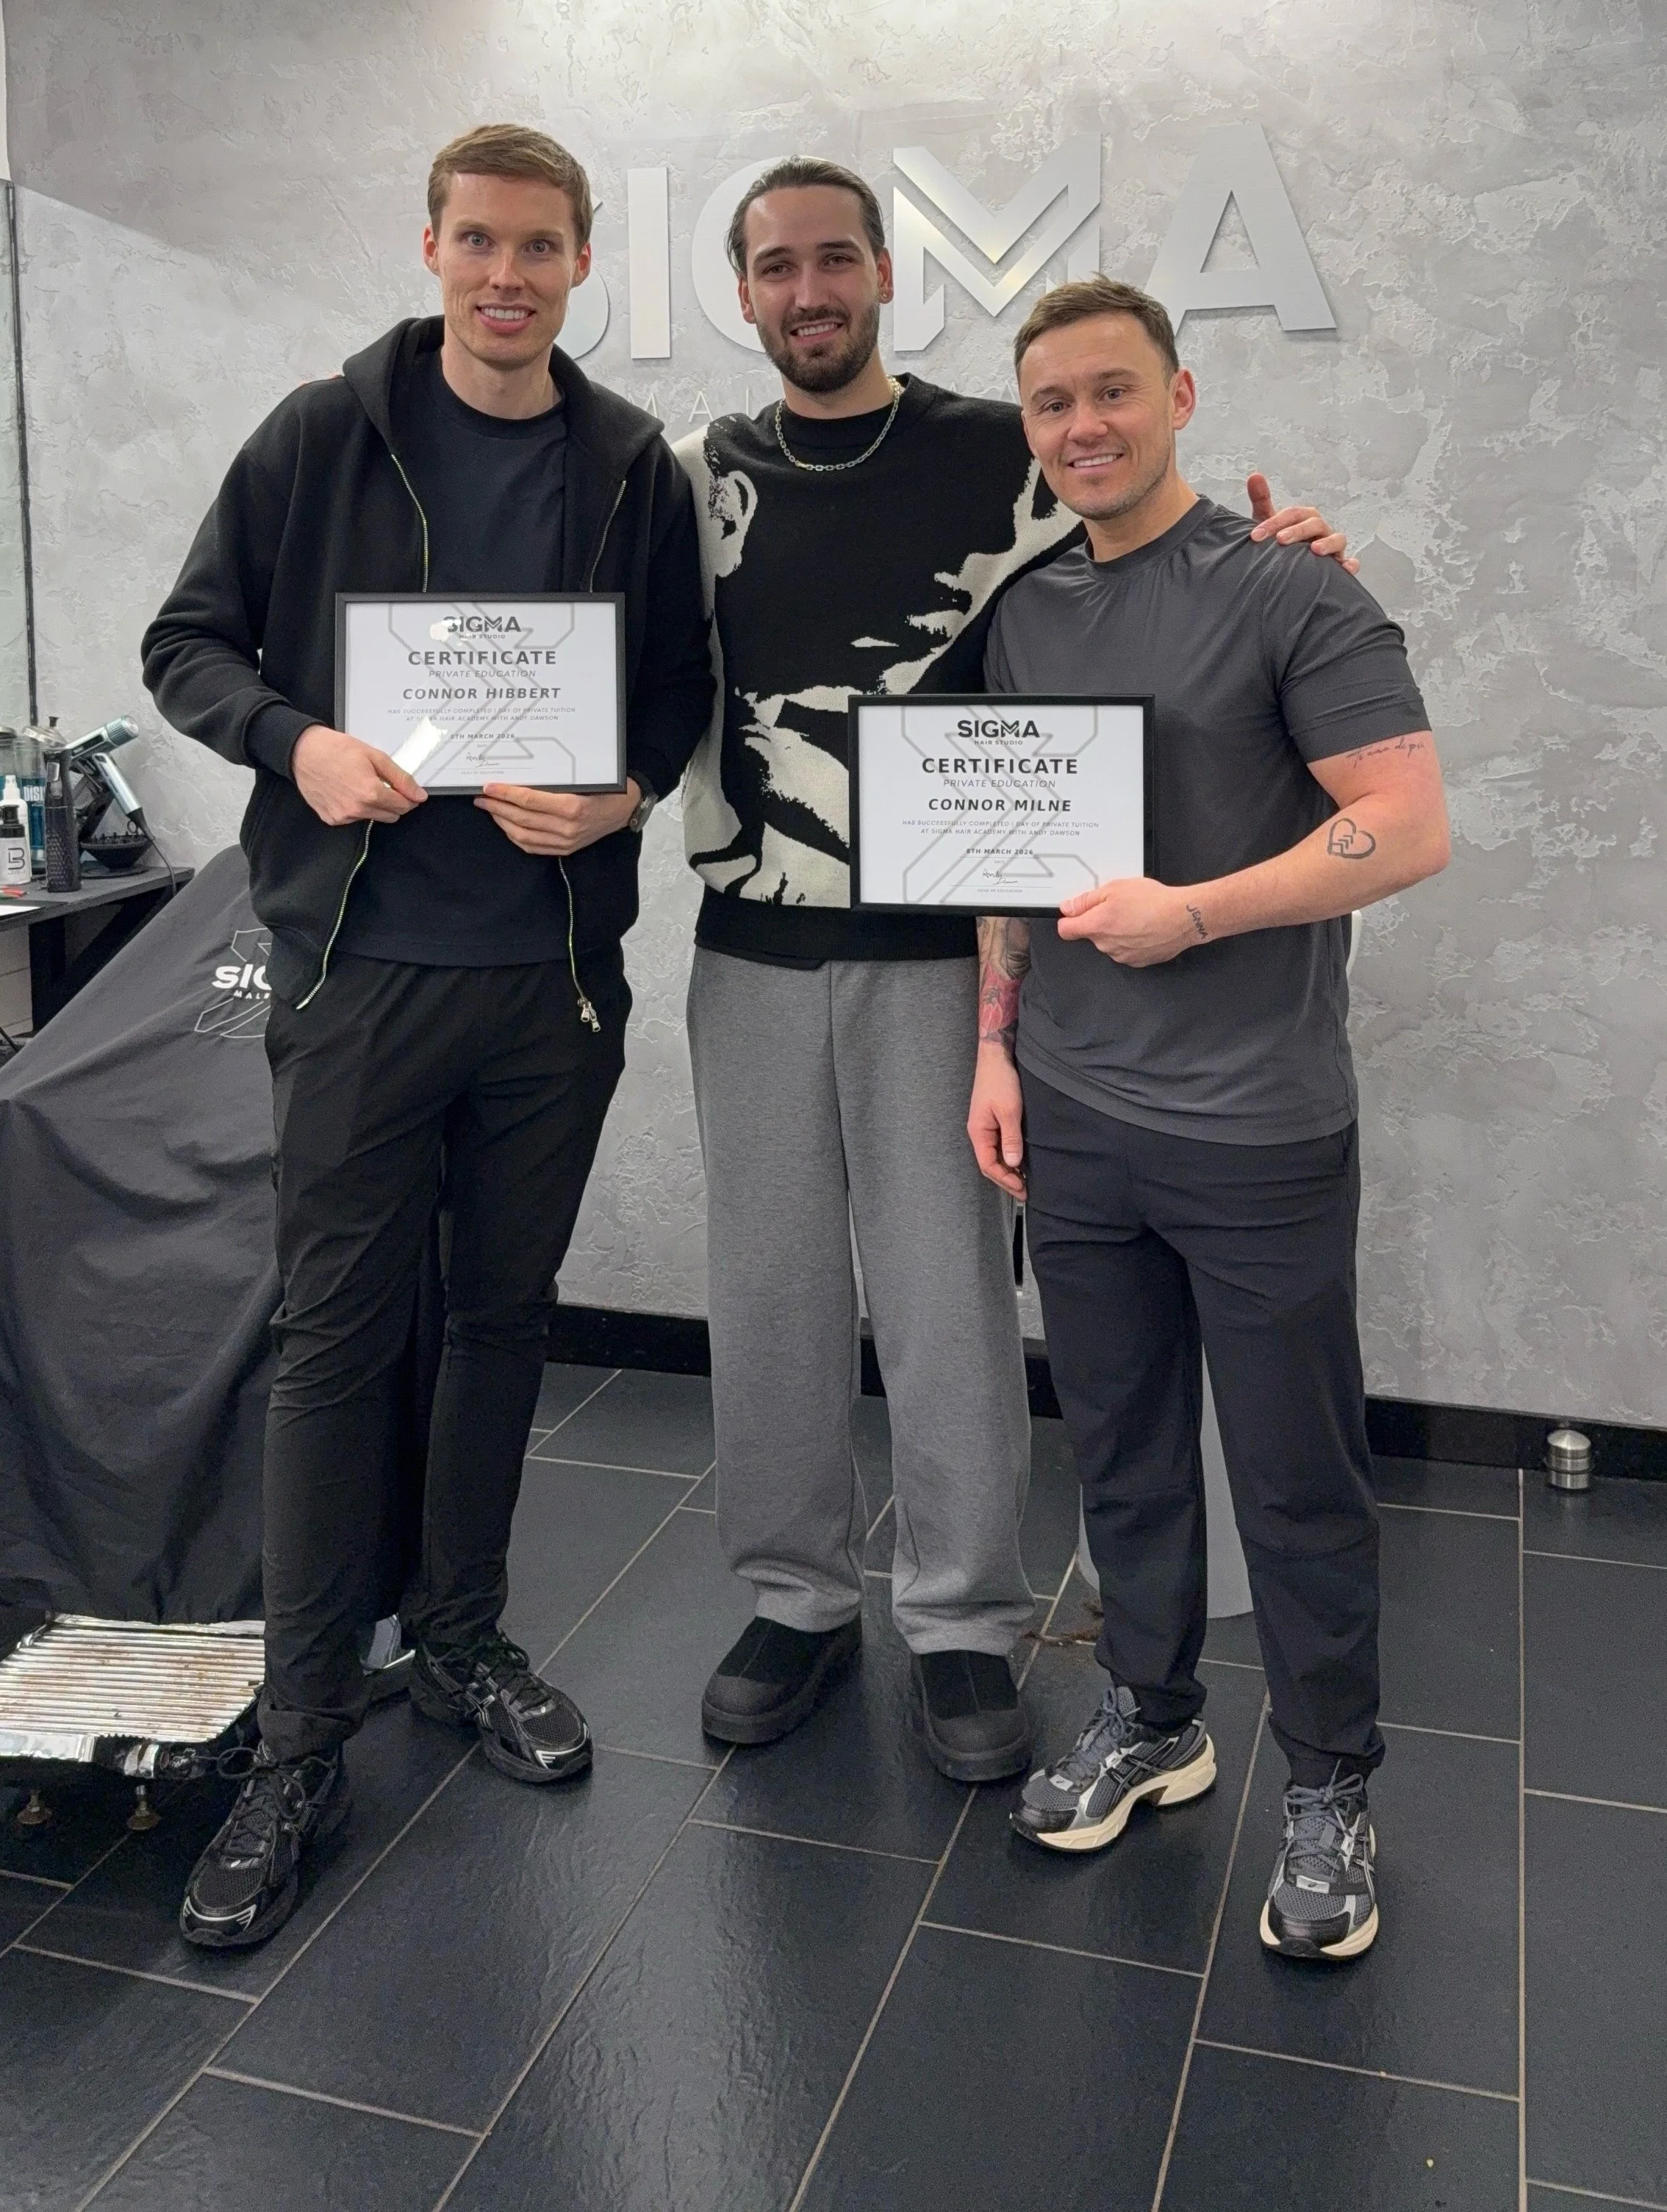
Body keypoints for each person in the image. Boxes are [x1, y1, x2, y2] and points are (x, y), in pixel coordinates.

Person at [675, 159, 1350, 1787]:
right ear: (746, 291)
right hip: (750, 945)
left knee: (947, 1296)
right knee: (766, 1292)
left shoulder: (1006, 451)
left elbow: (1158, 555)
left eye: (837, 259)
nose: (810, 289)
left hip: (950, 957)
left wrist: (1295, 549)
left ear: (887, 275)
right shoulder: (691, 474)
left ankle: (964, 1620)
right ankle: (792, 1594)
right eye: (777, 267)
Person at [141, 123, 711, 1951]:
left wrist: (622, 793)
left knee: (500, 1322)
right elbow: (186, 644)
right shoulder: (323, 433)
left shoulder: (630, 464)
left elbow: (683, 690)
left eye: (541, 246)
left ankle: (461, 1640)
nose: (507, 275)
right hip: (359, 971)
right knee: (332, 1340)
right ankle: (297, 1742)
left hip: (548, 982)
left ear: (581, 262)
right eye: (479, 241)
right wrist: (298, 744)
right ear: (432, 246)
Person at [969, 272, 1449, 1961]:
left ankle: (1328, 1783)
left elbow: (1407, 826)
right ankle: (1157, 1713)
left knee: (1300, 1477)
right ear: (1029, 432)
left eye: (1112, 392)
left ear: (1182, 395)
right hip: (1080, 1114)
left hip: (1258, 1125)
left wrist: (1200, 910)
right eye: (1052, 405)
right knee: (1117, 1448)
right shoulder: (1024, 615)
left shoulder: (1294, 593)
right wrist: (994, 1047)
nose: (1084, 428)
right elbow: (1006, 859)